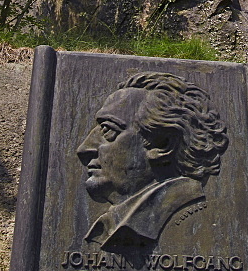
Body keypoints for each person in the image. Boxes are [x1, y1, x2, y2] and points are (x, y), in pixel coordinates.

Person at [77, 71, 228, 249]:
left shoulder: (200, 220)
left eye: (108, 130)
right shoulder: (114, 221)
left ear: (162, 144)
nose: (84, 149)